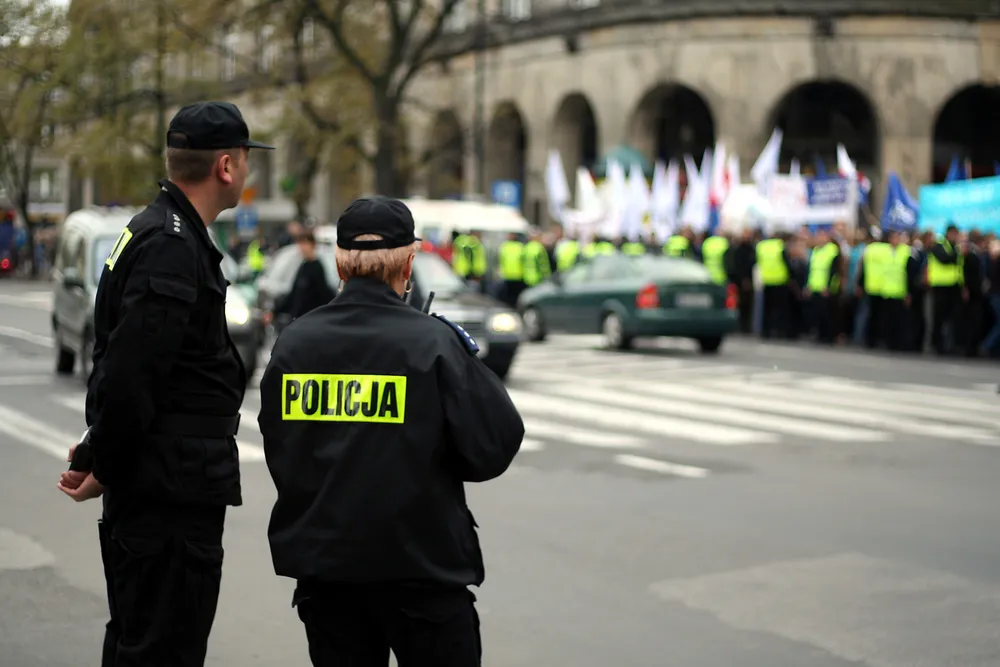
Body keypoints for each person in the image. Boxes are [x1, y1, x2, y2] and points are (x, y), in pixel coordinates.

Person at [258, 196, 525, 667]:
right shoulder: (433, 342)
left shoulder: (295, 343)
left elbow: (282, 446)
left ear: (339, 264)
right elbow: (493, 445)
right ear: (408, 264)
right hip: (422, 569)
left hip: (328, 571)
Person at [57, 100, 274, 667]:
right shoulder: (172, 246)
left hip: (162, 482)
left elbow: (125, 361)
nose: (246, 170)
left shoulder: (155, 230)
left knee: (141, 637)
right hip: (169, 490)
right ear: (225, 166)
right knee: (162, 647)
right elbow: (133, 372)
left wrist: (101, 453)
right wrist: (105, 463)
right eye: (245, 159)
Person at [274, 229, 336, 327]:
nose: (302, 248)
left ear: (312, 245)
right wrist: (275, 311)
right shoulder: (303, 266)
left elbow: (323, 294)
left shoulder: (316, 267)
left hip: (311, 321)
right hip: (298, 319)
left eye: (305, 244)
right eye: (300, 244)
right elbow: (294, 294)